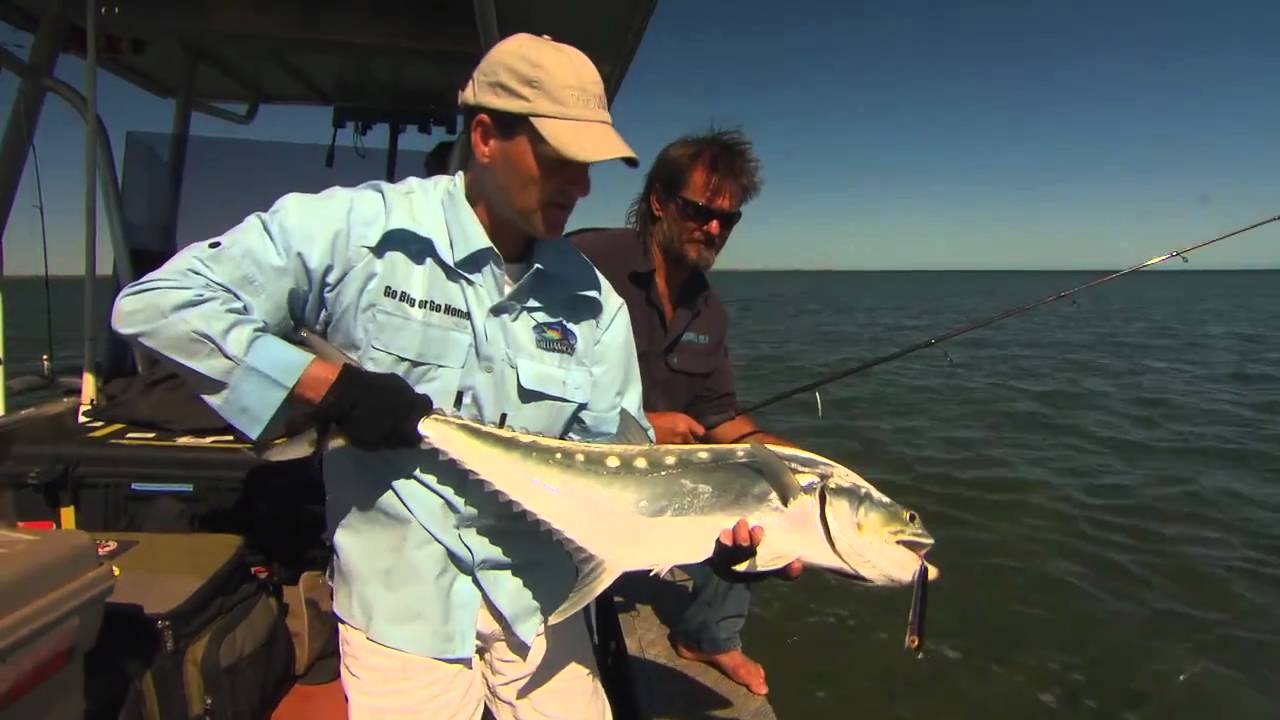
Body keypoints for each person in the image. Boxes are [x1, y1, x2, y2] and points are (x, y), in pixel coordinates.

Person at [112, 34, 773, 720]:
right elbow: (159, 304)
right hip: (402, 604)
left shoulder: (591, 302)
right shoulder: (363, 231)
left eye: (587, 166)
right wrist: (329, 388)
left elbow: (613, 469)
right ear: (485, 138)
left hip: (538, 600)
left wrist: (701, 539)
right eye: (558, 159)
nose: (580, 187)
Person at [571, 128, 798, 696]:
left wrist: (779, 453)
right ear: (659, 202)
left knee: (757, 498)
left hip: (664, 484)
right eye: (700, 211)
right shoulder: (584, 261)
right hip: (580, 468)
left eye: (729, 219)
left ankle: (710, 635)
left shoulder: (709, 312)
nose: (714, 228)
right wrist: (644, 427)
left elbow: (718, 414)